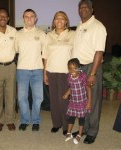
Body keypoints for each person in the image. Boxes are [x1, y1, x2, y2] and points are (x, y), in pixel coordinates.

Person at [72, 0, 107, 144]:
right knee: (82, 100)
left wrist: (92, 74)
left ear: (92, 10)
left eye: (86, 7)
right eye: (81, 7)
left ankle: (92, 131)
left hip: (92, 67)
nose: (83, 9)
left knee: (93, 101)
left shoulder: (98, 26)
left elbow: (99, 51)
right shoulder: (80, 26)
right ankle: (85, 128)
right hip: (80, 68)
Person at [43, 11, 75, 135]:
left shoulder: (72, 34)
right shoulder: (48, 35)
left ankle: (66, 126)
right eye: (57, 18)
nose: (59, 20)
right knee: (54, 100)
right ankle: (56, 123)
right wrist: (44, 73)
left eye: (62, 18)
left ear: (66, 21)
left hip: (66, 73)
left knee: (65, 100)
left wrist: (74, 73)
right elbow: (45, 56)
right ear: (54, 21)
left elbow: (75, 55)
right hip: (51, 71)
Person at [15, 9, 45, 131]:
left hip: (37, 70)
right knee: (22, 98)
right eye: (26, 16)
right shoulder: (18, 34)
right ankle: (25, 120)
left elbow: (46, 52)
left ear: (36, 18)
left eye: (31, 16)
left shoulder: (42, 34)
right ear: (23, 18)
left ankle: (36, 121)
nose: (29, 18)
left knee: (38, 98)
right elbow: (15, 50)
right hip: (22, 70)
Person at [62, 58, 92, 144]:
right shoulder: (69, 76)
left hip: (82, 102)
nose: (72, 70)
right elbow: (71, 88)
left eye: (74, 68)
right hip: (73, 102)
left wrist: (89, 102)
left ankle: (79, 134)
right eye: (70, 68)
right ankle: (68, 133)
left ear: (79, 68)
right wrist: (66, 94)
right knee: (71, 117)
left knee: (81, 119)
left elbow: (88, 89)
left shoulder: (82, 76)